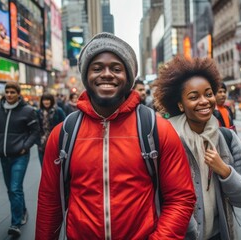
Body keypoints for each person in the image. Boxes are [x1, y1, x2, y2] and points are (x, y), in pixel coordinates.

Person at [36, 32, 196, 239]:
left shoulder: (157, 129)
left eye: (116, 68)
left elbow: (181, 198)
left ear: (128, 77)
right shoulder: (63, 134)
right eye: (97, 68)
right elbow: (50, 202)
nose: (107, 74)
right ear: (86, 76)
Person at [153, 55, 241, 240]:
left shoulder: (228, 138)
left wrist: (224, 171)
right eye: (193, 97)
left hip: (219, 234)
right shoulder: (165, 139)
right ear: (180, 105)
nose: (204, 101)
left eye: (208, 94)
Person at [0, 81, 40, 238]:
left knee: (15, 187)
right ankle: (22, 211)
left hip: (20, 156)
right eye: (7, 92)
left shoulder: (28, 110)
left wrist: (25, 146)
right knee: (11, 189)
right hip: (4, 157)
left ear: (18, 93)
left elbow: (35, 131)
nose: (9, 95)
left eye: (12, 92)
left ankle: (15, 224)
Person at [36, 93, 65, 165]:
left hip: (55, 143)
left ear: (51, 101)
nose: (46, 102)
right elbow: (35, 128)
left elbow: (64, 125)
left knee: (55, 167)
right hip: (42, 144)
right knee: (43, 167)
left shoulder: (58, 111)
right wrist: (37, 141)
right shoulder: (38, 112)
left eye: (48, 100)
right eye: (44, 100)